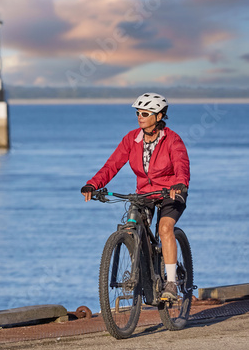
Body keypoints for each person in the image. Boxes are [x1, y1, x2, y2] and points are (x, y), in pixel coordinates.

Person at [81, 92, 190, 300]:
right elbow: (112, 165)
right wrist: (93, 184)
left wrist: (180, 183)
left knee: (165, 227)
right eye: (138, 113)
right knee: (134, 227)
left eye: (145, 113)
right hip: (145, 193)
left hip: (171, 191)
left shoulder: (172, 139)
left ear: (158, 116)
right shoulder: (132, 139)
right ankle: (143, 273)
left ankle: (172, 283)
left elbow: (181, 164)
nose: (140, 116)